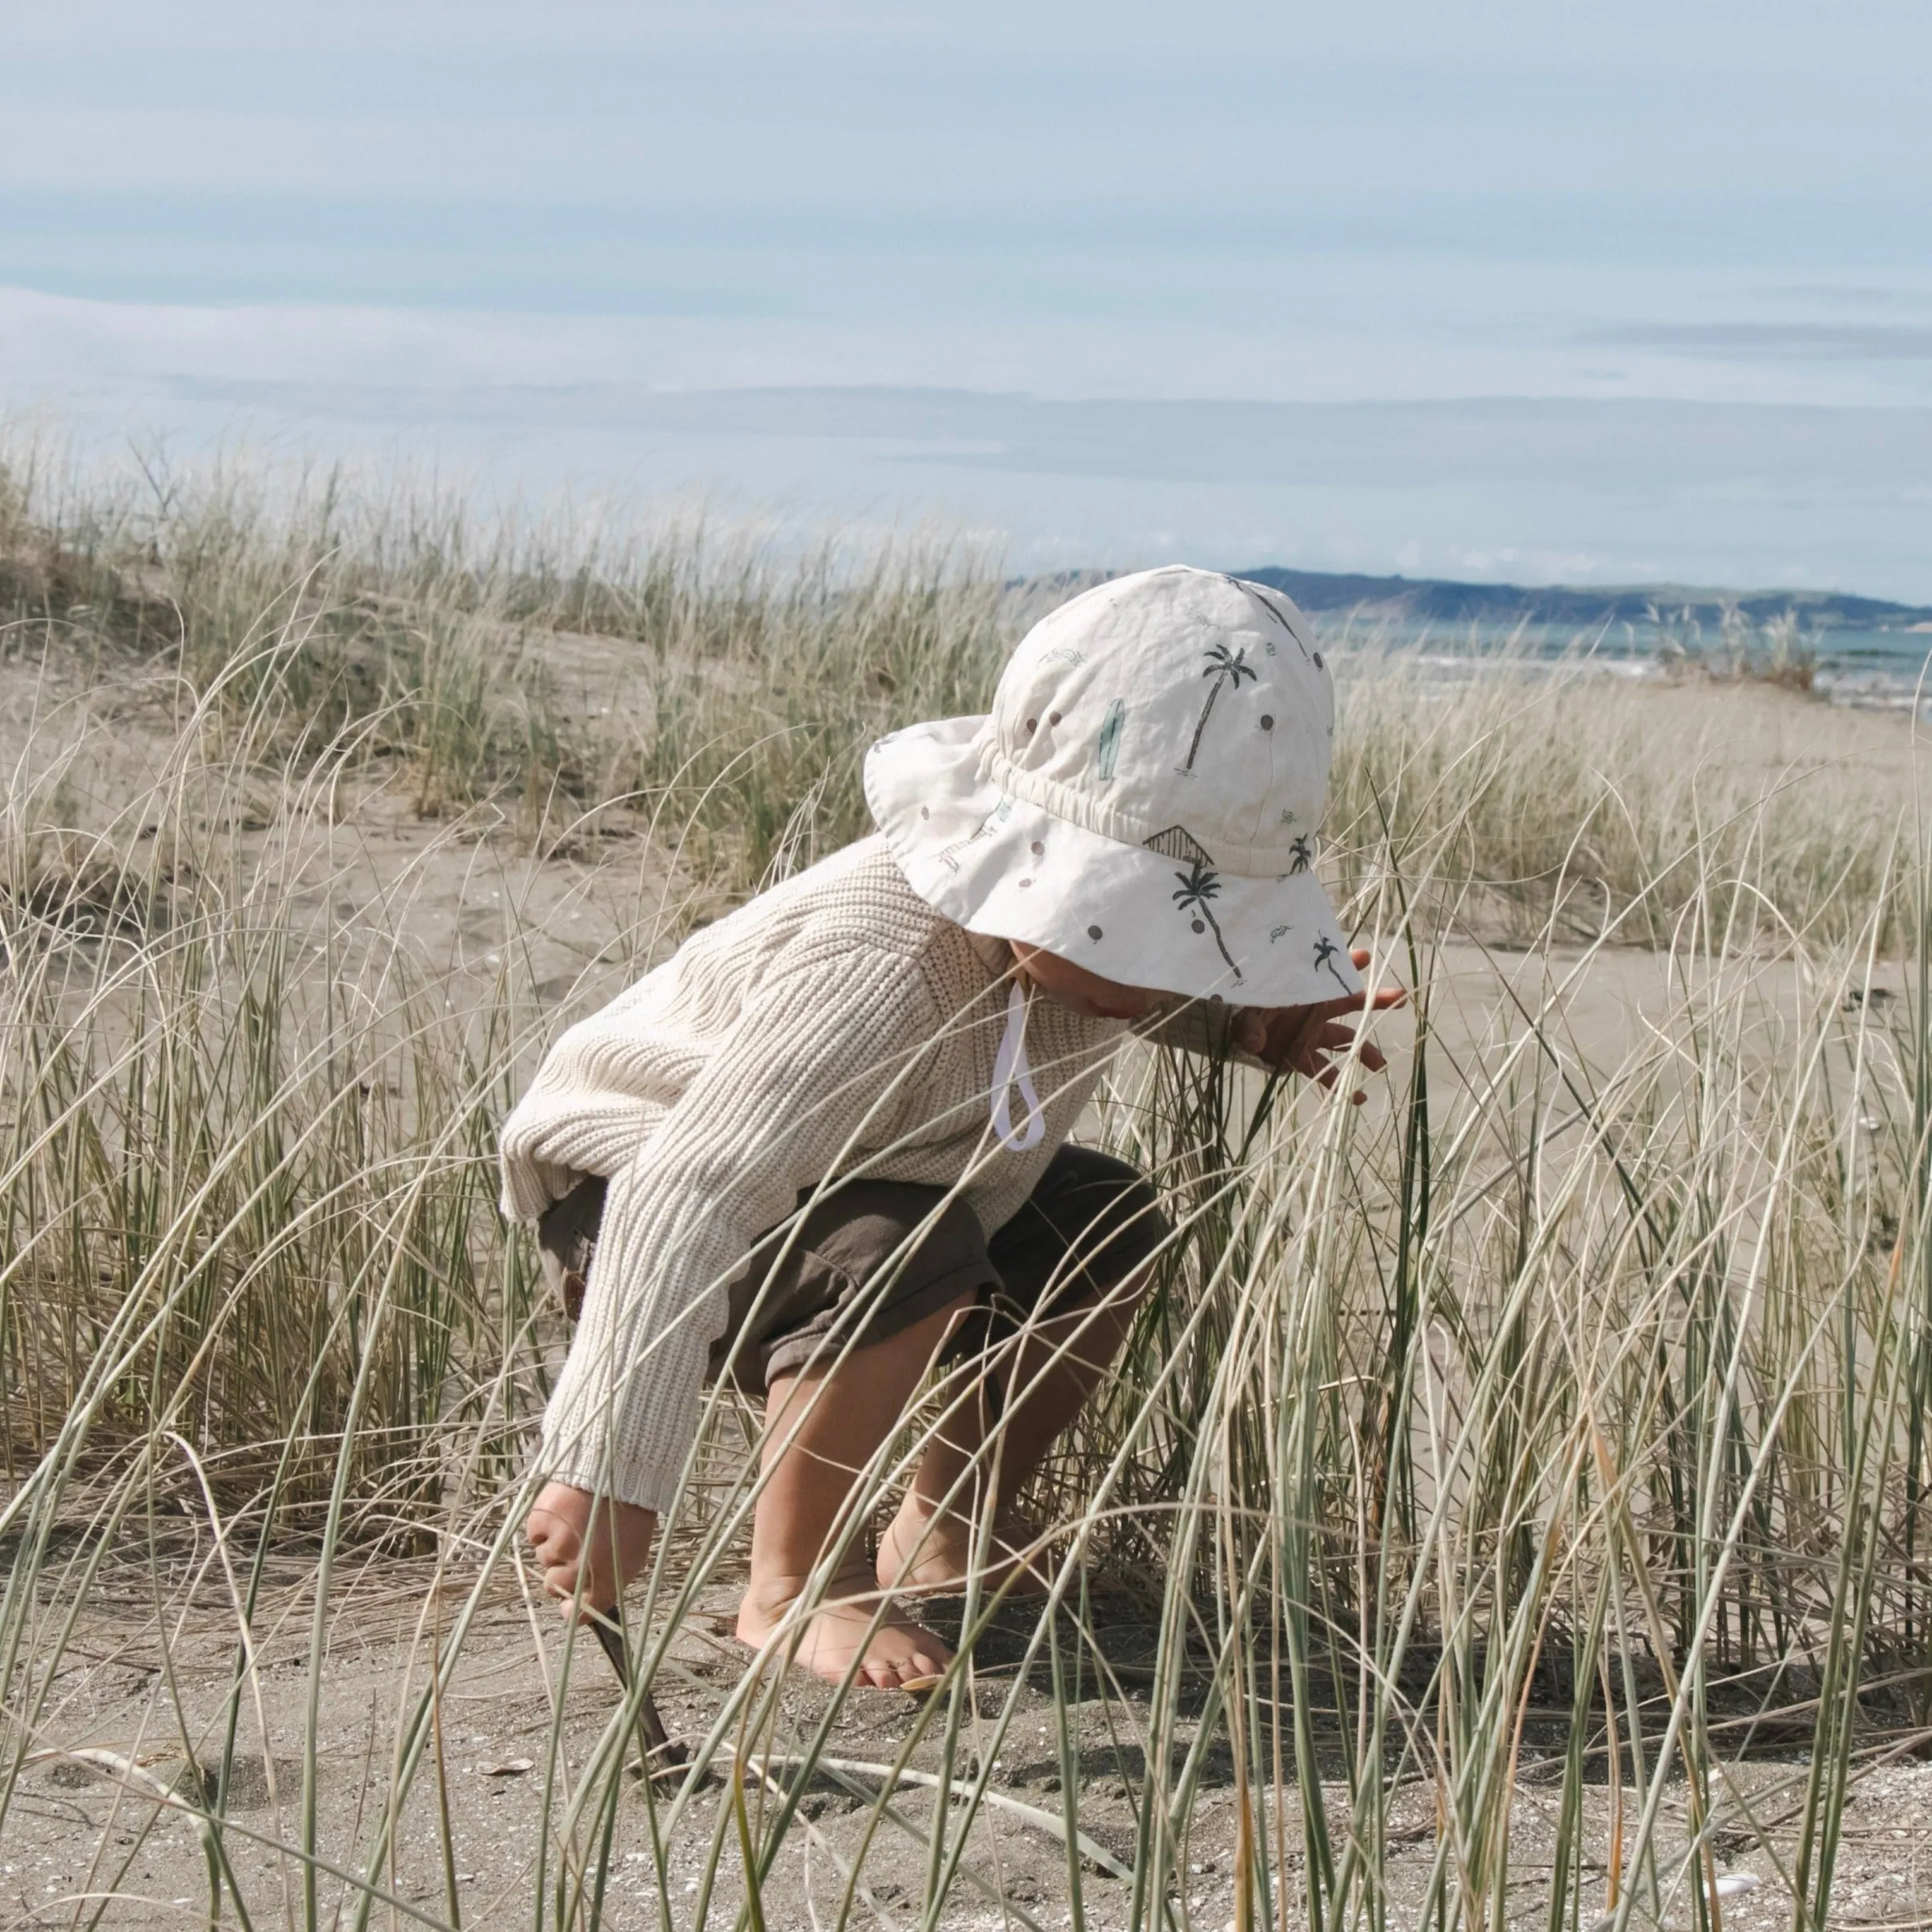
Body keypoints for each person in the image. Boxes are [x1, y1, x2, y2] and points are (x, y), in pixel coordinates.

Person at [502, 566, 1401, 1692]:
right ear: (1026, 865)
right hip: (637, 1203)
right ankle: (794, 1588)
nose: (1154, 971)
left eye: (1194, 942)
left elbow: (1107, 984)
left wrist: (1250, 1026)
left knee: (1103, 1220)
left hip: (892, 1176)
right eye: (1127, 929)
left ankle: (944, 1520)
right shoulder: (882, 964)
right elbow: (684, 1191)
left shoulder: (1078, 961)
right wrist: (607, 1468)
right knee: (903, 1244)